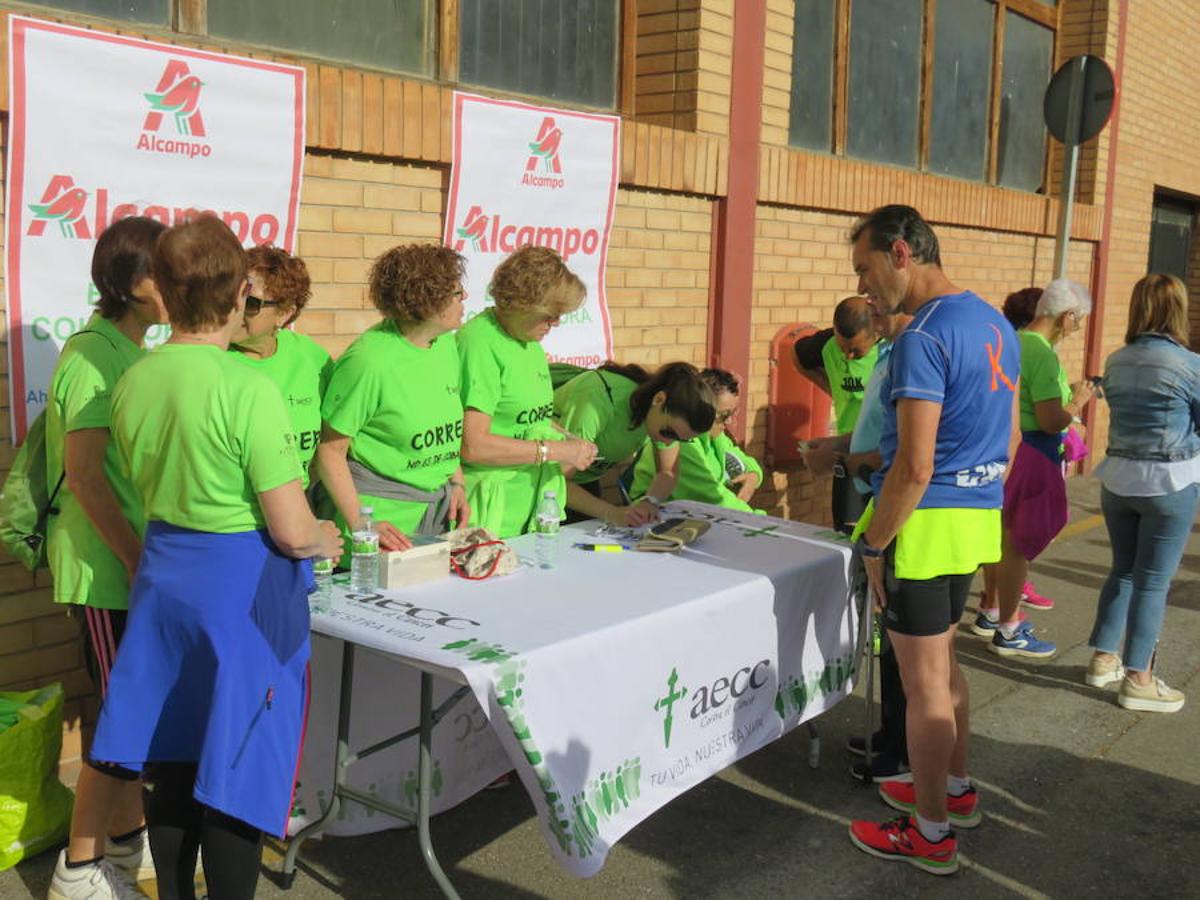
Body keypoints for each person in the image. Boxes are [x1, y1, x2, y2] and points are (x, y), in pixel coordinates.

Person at [87, 217, 343, 900]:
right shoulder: (247, 387)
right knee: (239, 763)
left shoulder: (135, 377)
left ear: (164, 293)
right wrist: (327, 535)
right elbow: (291, 530)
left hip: (165, 579)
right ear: (237, 299)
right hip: (242, 592)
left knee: (171, 760)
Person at [846, 205, 1018, 876]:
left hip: (924, 522)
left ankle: (930, 832)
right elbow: (1004, 441)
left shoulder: (922, 336)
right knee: (946, 670)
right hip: (974, 516)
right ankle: (952, 789)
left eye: (865, 270)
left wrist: (874, 543)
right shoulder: (990, 319)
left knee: (922, 688)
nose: (865, 289)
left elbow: (914, 466)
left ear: (899, 253)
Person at [45, 217, 166, 899]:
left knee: (135, 711)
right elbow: (86, 475)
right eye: (165, 271)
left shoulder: (134, 351)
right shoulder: (91, 353)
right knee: (125, 712)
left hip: (132, 564)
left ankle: (124, 843)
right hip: (106, 568)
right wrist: (133, 556)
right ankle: (79, 867)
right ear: (133, 281)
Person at [1086, 274, 1200, 713]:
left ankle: (1103, 658)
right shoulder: (1189, 365)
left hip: (1118, 479)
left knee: (1123, 571)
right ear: (1178, 310)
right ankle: (1139, 678)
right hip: (1169, 481)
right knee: (1153, 582)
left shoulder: (1116, 360)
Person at [318, 245, 471, 556]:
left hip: (434, 520)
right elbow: (329, 451)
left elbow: (445, 426)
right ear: (430, 304)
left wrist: (456, 483)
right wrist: (361, 522)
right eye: (457, 292)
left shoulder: (444, 345)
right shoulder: (370, 361)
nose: (464, 298)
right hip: (383, 528)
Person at [977, 281, 1096, 660]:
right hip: (1034, 452)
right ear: (1067, 317)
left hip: (1006, 446)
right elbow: (1049, 419)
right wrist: (1076, 403)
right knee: (1018, 544)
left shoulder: (1012, 340)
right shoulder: (1042, 353)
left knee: (1001, 537)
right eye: (1079, 321)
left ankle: (993, 609)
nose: (1077, 329)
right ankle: (1009, 627)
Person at [457, 246, 597, 538]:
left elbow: (530, 418)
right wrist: (556, 450)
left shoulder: (528, 341)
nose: (556, 323)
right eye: (551, 315)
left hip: (529, 508)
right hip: (489, 517)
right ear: (524, 305)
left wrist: (572, 442)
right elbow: (473, 445)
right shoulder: (480, 344)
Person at [831, 300, 915, 784]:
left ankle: (902, 757)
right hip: (874, 495)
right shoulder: (889, 352)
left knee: (907, 649)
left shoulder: (913, 353)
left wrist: (877, 542)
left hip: (896, 509)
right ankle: (891, 733)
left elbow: (904, 453)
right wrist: (840, 447)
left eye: (881, 308)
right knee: (890, 638)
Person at [554, 361, 716, 523]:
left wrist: (650, 502)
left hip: (582, 484)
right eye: (669, 432)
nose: (668, 442)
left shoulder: (661, 418)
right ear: (659, 399)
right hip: (544, 480)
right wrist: (611, 512)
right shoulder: (598, 400)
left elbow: (668, 472)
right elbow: (558, 481)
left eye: (681, 440)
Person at [230, 246, 331, 491]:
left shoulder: (312, 357)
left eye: (251, 303)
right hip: (238, 518)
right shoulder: (213, 361)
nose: (236, 309)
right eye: (231, 297)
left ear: (284, 314)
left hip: (299, 509)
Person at [793, 296, 880, 532]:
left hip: (881, 452)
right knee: (847, 531)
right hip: (847, 449)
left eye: (856, 351)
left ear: (876, 333)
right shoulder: (825, 343)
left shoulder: (891, 352)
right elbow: (798, 355)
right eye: (843, 348)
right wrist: (831, 388)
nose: (848, 356)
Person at [626, 368, 760, 512]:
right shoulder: (684, 441)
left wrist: (753, 476)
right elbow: (713, 499)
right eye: (723, 415)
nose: (729, 421)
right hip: (657, 511)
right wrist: (760, 520)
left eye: (734, 413)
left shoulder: (716, 435)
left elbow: (741, 459)